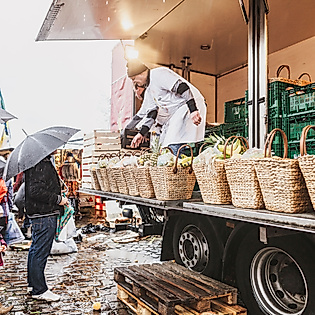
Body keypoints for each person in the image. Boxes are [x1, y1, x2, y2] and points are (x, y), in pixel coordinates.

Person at [124, 59, 206, 155]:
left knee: (173, 143)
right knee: (166, 145)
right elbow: (152, 113)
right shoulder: (149, 90)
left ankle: (178, 167)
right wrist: (141, 134)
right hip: (176, 112)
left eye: (134, 79)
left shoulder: (159, 74)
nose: (135, 83)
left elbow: (182, 87)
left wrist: (193, 110)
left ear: (141, 73)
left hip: (188, 104)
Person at [25, 150, 68, 302]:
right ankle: (39, 290)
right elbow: (35, 190)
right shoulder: (40, 163)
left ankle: (33, 284)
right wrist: (57, 199)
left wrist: (57, 191)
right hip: (44, 214)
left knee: (36, 249)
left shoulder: (39, 161)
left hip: (41, 214)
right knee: (40, 252)